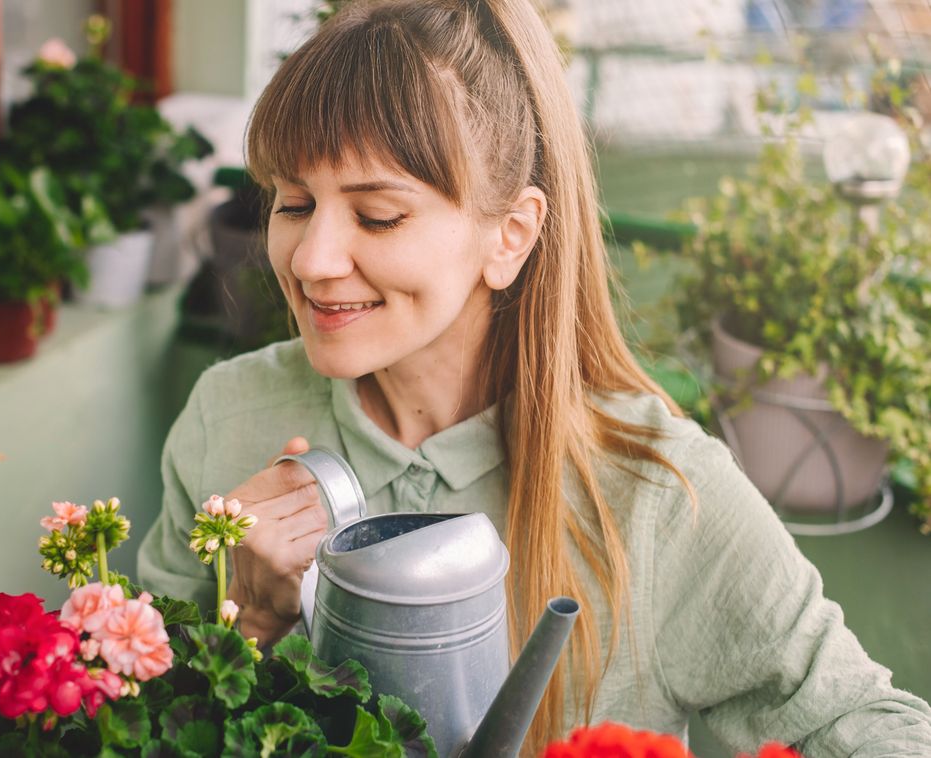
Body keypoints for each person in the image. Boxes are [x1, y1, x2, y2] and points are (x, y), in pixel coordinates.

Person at [137, 0, 931, 753]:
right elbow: (130, 717)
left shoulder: (652, 489)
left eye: (377, 214)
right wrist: (245, 625)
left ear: (510, 236)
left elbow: (870, 727)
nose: (311, 260)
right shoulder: (228, 413)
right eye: (292, 203)